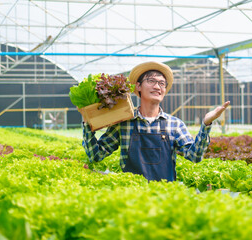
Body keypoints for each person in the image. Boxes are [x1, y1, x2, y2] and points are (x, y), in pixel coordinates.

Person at [78, 61, 230, 182]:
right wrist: (87, 124)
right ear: (138, 86)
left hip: (165, 198)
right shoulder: (123, 123)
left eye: (162, 83)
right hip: (132, 198)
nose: (157, 87)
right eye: (151, 81)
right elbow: (95, 156)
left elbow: (194, 156)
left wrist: (206, 124)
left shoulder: (175, 125)